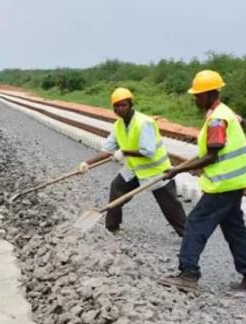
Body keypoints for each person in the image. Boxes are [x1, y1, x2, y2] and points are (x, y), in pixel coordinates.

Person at [159, 70, 246, 292]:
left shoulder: (217, 119)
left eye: (198, 95)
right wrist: (178, 168)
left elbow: (210, 155)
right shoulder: (225, 113)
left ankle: (188, 274)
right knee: (234, 227)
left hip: (223, 183)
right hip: (234, 182)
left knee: (196, 223)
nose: (195, 99)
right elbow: (245, 126)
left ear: (210, 94)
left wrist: (177, 170)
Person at [78, 87, 186, 237]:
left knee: (170, 206)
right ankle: (111, 227)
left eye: (123, 105)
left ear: (131, 105)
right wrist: (87, 163)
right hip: (134, 169)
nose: (120, 109)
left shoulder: (144, 123)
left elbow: (148, 151)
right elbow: (107, 150)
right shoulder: (118, 126)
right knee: (117, 187)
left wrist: (124, 152)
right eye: (117, 106)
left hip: (156, 171)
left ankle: (188, 235)